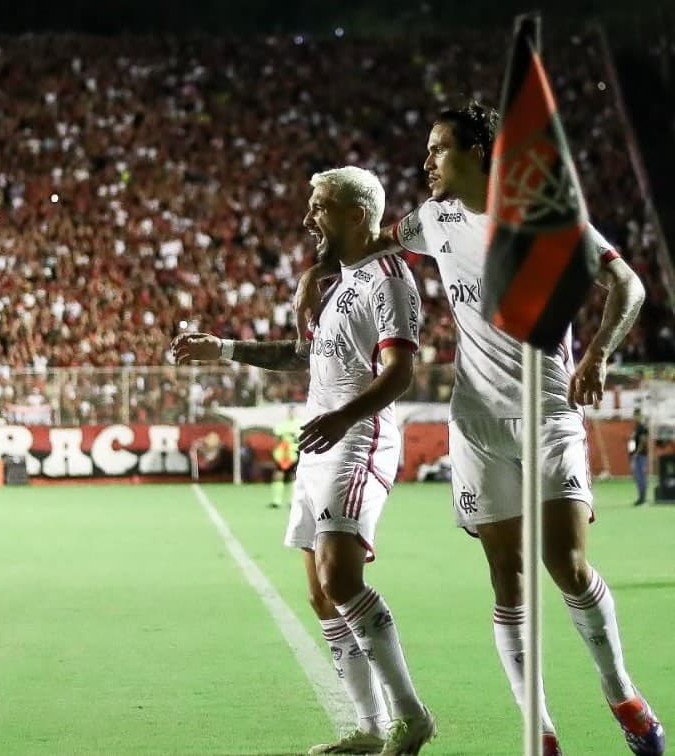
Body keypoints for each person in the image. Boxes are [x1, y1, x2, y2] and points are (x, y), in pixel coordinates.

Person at [297, 102, 661, 756]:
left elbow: (626, 285)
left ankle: (623, 695)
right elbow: (368, 244)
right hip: (477, 426)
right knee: (507, 579)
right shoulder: (433, 219)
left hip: (547, 413)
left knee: (567, 565)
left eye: (438, 150)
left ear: (479, 153)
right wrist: (312, 275)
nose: (426, 162)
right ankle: (540, 737)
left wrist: (599, 352)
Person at [174, 167, 435, 755]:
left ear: (354, 212)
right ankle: (369, 729)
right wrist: (225, 348)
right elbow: (304, 358)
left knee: (342, 578)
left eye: (318, 206)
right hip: (322, 442)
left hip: (358, 436)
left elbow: (400, 373)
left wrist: (343, 418)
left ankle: (411, 715)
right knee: (321, 595)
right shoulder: (337, 282)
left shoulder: (389, 280)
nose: (307, 218)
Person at [269, 405, 301, 508]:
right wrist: (276, 452)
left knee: (294, 476)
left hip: (295, 453)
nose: (291, 413)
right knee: (278, 475)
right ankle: (276, 501)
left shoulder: (300, 424)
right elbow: (277, 439)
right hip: (283, 454)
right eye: (290, 411)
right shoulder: (281, 425)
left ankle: (292, 500)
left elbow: (303, 440)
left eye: (293, 411)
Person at [629, 407, 649, 506]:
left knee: (641, 477)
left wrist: (636, 452)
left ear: (639, 416)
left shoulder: (642, 427)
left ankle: (643, 498)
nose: (634, 417)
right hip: (637, 455)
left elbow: (643, 441)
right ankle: (640, 497)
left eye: (635, 415)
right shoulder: (637, 427)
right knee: (638, 477)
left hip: (641, 456)